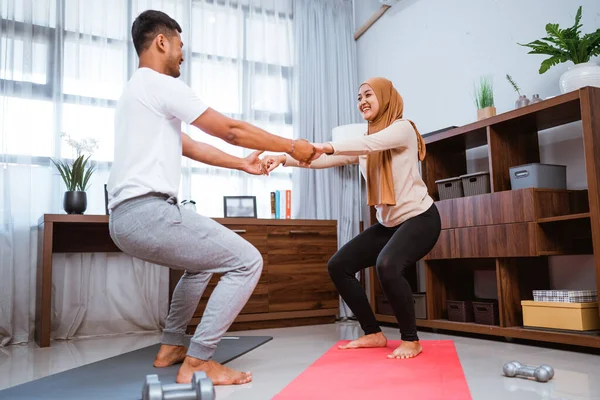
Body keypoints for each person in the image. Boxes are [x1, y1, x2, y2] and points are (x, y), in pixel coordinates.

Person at [106, 10, 315, 385]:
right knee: (247, 261)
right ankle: (199, 361)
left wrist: (241, 165)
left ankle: (172, 346)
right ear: (162, 42)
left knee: (201, 264)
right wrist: (291, 146)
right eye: (181, 46)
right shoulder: (158, 84)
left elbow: (190, 145)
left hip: (125, 219)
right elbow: (231, 130)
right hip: (148, 211)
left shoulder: (134, 93)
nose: (183, 54)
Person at [261, 77, 441, 359]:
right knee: (339, 265)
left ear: (386, 97)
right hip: (389, 224)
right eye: (359, 98)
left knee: (388, 264)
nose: (362, 102)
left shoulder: (402, 129)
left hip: (421, 218)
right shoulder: (367, 144)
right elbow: (323, 161)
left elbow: (367, 144)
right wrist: (285, 158)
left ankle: (411, 340)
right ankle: (373, 333)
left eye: (368, 95)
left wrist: (325, 144)